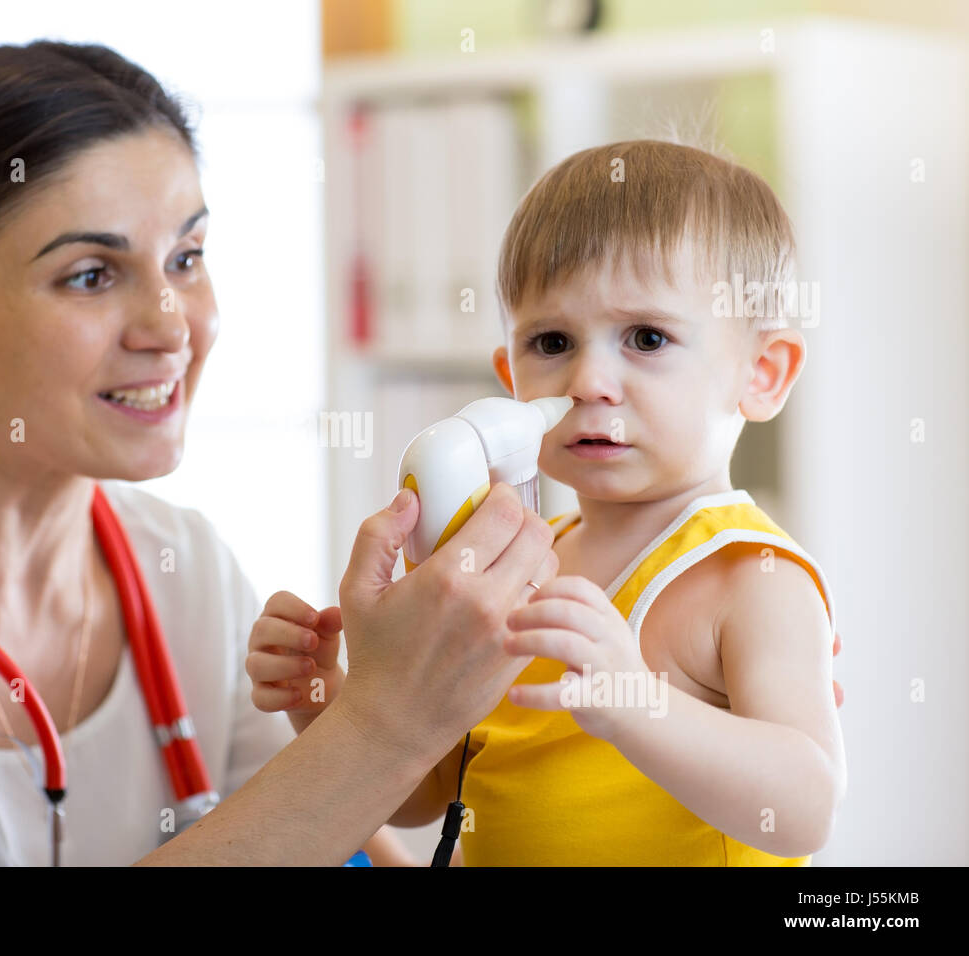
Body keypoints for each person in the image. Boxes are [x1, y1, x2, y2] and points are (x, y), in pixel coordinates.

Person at [0, 40, 557, 867]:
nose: (171, 326)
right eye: (90, 275)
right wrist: (389, 722)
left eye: (187, 256)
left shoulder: (186, 567)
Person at [250, 140, 847, 866]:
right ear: (511, 379)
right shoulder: (515, 564)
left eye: (647, 338)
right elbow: (427, 795)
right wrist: (327, 696)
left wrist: (638, 704)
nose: (591, 378)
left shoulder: (751, 577)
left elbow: (805, 809)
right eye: (554, 341)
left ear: (762, 373)